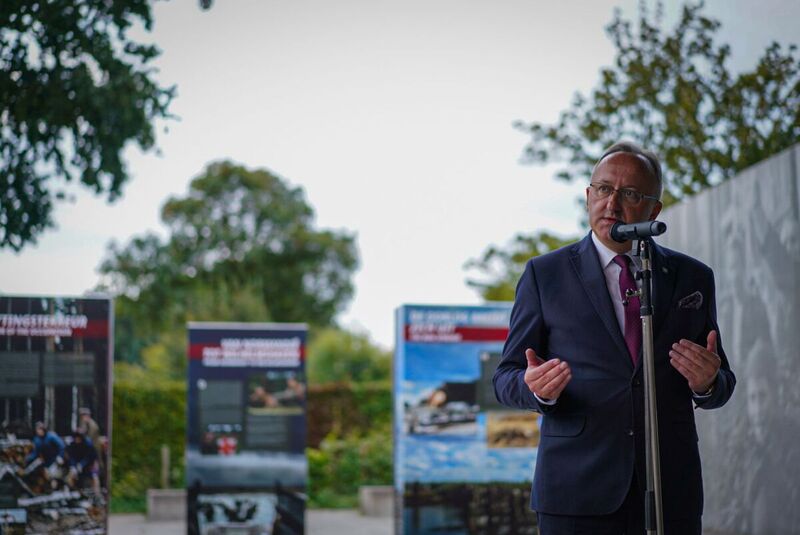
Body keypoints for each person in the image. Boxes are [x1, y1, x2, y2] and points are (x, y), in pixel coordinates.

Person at [493, 141, 736, 534]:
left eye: (630, 194)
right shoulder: (545, 274)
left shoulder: (693, 277)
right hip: (575, 492)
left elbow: (723, 382)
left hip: (669, 489)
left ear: (653, 209)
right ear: (588, 196)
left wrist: (709, 382)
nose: (613, 204)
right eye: (604, 189)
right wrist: (535, 387)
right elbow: (505, 377)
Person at [64, 428, 101, 493]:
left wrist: (81, 464)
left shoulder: (88, 443)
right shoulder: (72, 444)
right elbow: (71, 456)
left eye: (79, 438)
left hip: (91, 462)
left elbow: (90, 456)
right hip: (77, 463)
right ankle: (75, 492)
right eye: (76, 438)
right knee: (69, 477)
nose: (77, 440)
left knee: (94, 477)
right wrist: (73, 466)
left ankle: (97, 494)